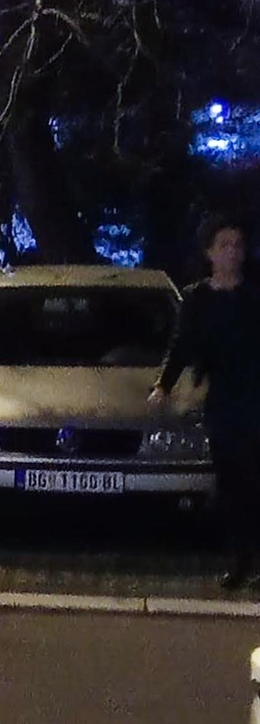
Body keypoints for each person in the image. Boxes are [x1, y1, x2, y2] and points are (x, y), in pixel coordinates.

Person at [156, 212, 260, 586]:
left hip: (255, 396)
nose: (232, 252)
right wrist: (163, 384)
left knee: (253, 478)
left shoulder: (253, 297)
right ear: (210, 253)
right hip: (224, 399)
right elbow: (181, 344)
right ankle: (240, 558)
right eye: (225, 245)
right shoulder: (197, 298)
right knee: (231, 481)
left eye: (238, 245)